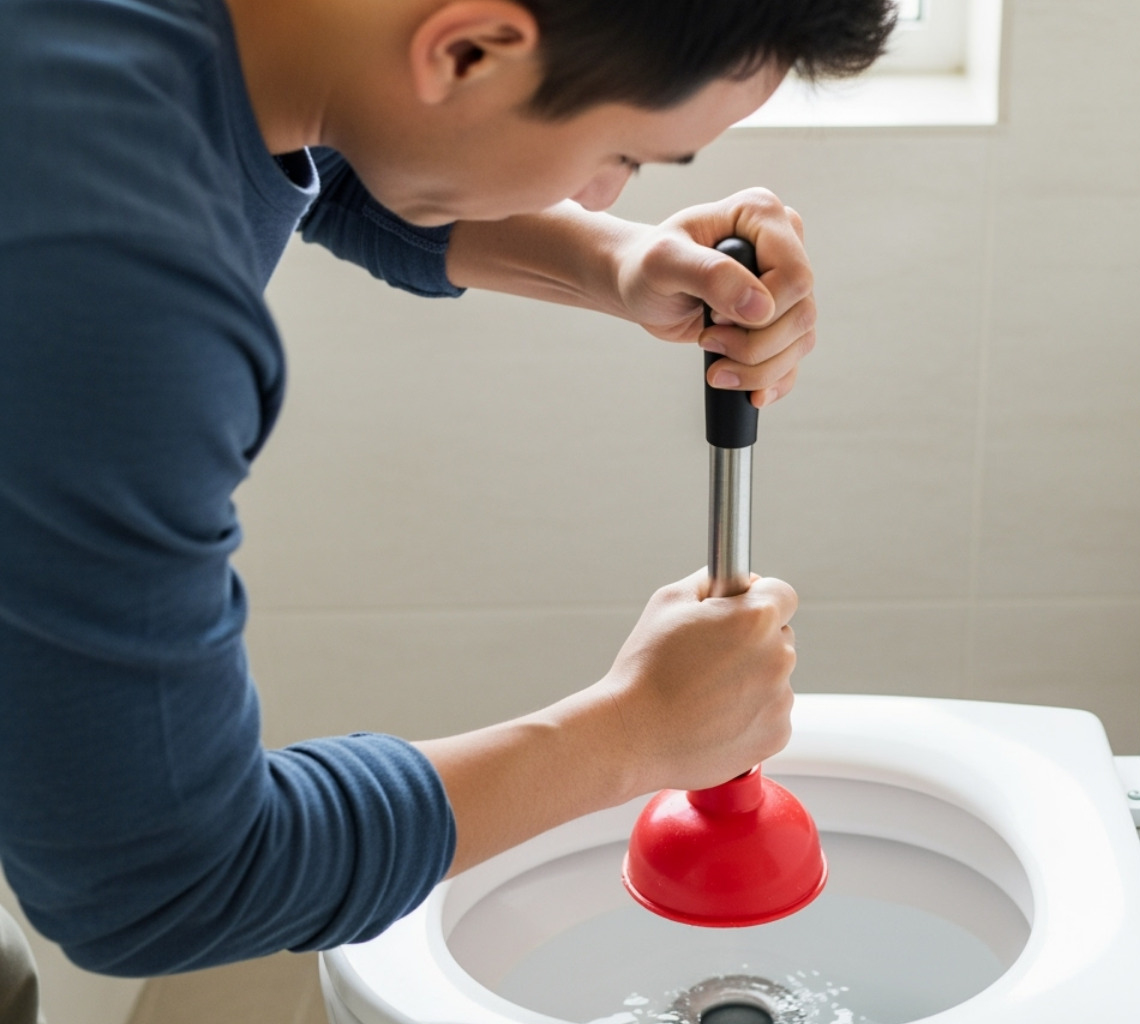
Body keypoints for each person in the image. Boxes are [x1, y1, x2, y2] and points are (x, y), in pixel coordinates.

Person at [0, 0, 896, 1007]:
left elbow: (323, 147)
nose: (603, 192)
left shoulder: (215, 46)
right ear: (469, 49)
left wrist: (615, 260)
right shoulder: (111, 282)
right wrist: (630, 734)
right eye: (624, 153)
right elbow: (158, 879)